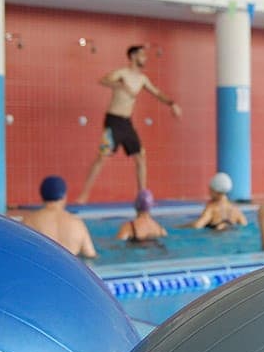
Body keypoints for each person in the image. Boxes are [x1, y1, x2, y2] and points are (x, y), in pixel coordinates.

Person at [76, 45, 183, 204]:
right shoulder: (122, 73)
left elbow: (157, 93)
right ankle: (83, 196)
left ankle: (143, 197)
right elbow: (103, 80)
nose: (145, 58)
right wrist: (121, 85)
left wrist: (172, 104)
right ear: (133, 56)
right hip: (113, 121)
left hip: (127, 122)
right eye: (142, 55)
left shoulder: (142, 79)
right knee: (102, 157)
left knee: (140, 157)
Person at [22, 176, 97, 258]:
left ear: (42, 195)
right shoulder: (77, 223)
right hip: (68, 268)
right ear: (64, 196)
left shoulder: (29, 221)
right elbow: (90, 255)